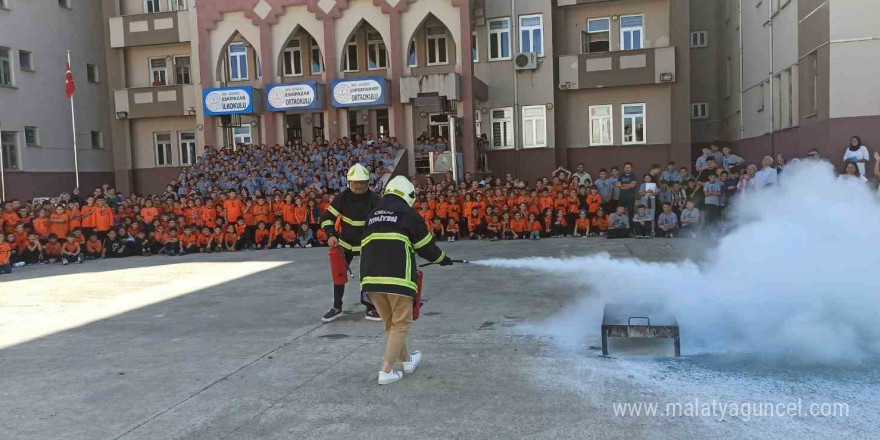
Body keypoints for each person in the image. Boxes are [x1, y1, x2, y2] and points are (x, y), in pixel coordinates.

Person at [360, 176, 453, 385]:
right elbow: (426, 247)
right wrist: (442, 259)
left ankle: (407, 360)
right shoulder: (408, 214)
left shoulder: (372, 215)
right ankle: (385, 371)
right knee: (401, 324)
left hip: (371, 280)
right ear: (408, 195)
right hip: (397, 278)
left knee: (391, 325)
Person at [319, 163, 382, 323]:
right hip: (345, 244)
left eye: (362, 182)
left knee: (368, 277)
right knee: (338, 274)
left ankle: (370, 307)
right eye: (355, 182)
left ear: (368, 183)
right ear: (349, 182)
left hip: (368, 244)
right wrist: (331, 234)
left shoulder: (375, 199)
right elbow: (327, 218)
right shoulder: (342, 198)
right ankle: (337, 307)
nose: (359, 186)